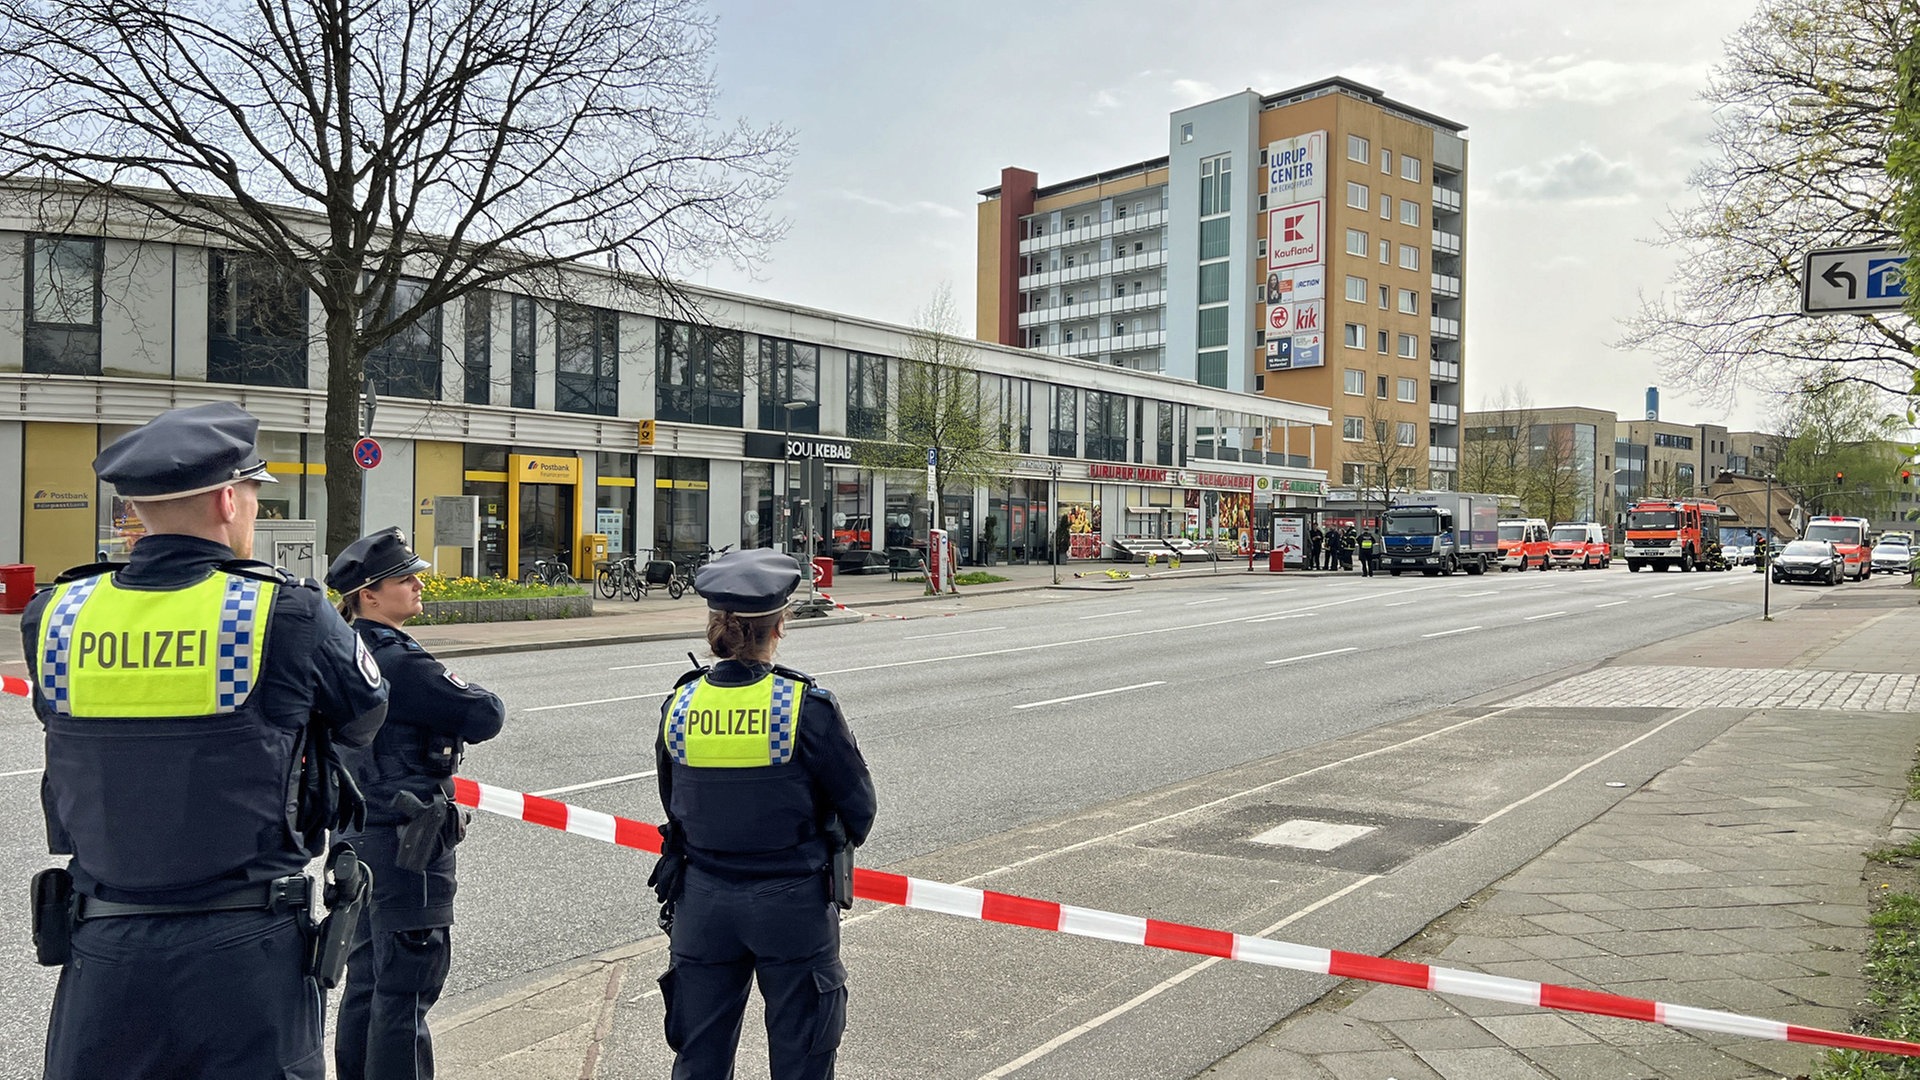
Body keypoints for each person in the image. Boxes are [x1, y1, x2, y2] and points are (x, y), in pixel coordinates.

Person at [21, 402, 389, 1080]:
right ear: (228, 499)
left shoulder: (59, 613)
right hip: (245, 953)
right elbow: (364, 714)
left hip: (102, 948)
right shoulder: (284, 610)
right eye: (254, 496)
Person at [650, 548, 877, 1080]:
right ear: (780, 623)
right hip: (791, 903)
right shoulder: (802, 705)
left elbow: (672, 798)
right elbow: (859, 808)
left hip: (702, 901)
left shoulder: (680, 703)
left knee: (699, 1056)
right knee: (803, 1053)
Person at [329, 527, 505, 1080]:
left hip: (354, 839)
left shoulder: (341, 653)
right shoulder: (401, 661)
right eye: (404, 579)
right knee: (407, 985)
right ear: (369, 596)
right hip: (409, 840)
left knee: (366, 982)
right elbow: (486, 714)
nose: (417, 585)